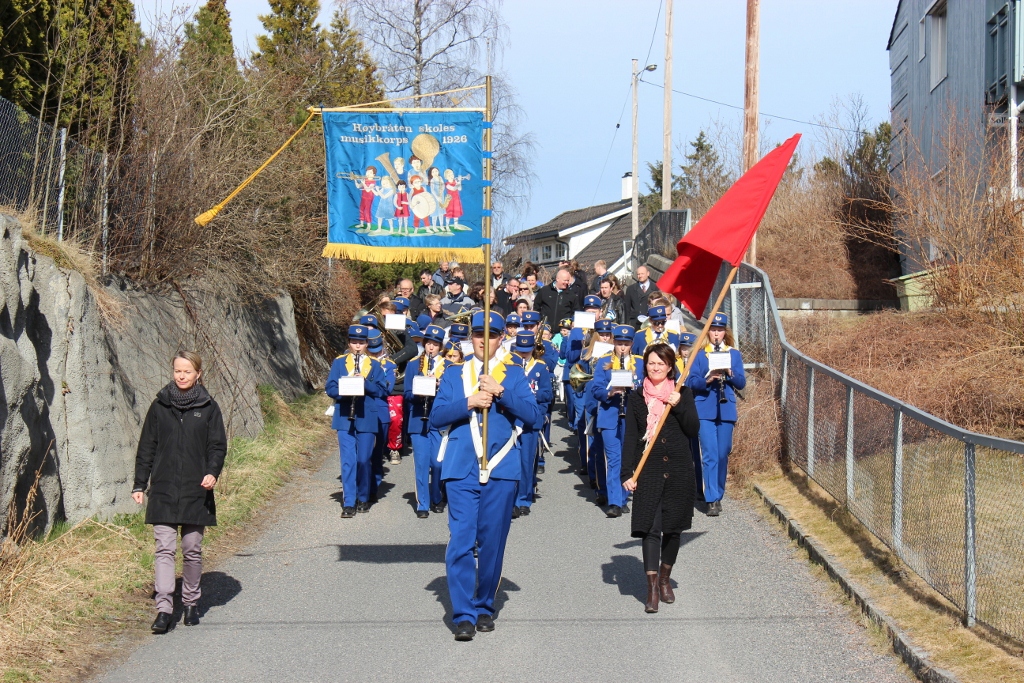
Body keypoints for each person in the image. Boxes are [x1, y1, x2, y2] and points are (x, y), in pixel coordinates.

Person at [430, 311, 543, 641]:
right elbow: (436, 417)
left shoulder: (515, 374)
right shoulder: (454, 373)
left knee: (492, 542)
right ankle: (463, 613)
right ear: (471, 337)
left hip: (502, 468)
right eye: (479, 334)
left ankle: (483, 606)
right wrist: (469, 401)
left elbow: (535, 417)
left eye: (491, 335)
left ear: (500, 338)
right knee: (461, 541)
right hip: (461, 469)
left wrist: (501, 392)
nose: (484, 340)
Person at [133, 351, 226, 633]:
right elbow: (147, 446)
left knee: (192, 550)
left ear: (198, 374)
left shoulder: (209, 408)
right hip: (163, 488)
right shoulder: (159, 406)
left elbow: (217, 446)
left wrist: (212, 472)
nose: (181, 376)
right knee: (164, 549)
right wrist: (140, 484)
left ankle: (190, 603)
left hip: (196, 490)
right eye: (177, 371)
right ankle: (163, 609)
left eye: (187, 371)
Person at [621, 343, 700, 613]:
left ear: (669, 367)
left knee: (673, 528)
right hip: (649, 469)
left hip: (679, 468)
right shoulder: (636, 398)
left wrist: (677, 406)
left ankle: (665, 578)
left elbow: (693, 429)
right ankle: (652, 587)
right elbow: (631, 436)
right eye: (651, 363)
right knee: (650, 528)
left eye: (661, 364)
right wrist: (627, 473)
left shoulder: (682, 393)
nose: (655, 368)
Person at [685, 313, 746, 517]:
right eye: (713, 330)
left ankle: (718, 492)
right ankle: (711, 498)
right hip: (704, 408)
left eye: (720, 330)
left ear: (724, 332)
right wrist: (708, 379)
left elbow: (741, 383)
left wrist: (730, 372)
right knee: (709, 453)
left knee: (722, 453)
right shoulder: (700, 354)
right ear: (708, 332)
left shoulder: (733, 354)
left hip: (726, 408)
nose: (716, 334)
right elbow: (691, 381)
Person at [326, 325, 387, 518]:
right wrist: (346, 388)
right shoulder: (339, 362)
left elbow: (382, 390)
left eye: (361, 342)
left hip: (366, 416)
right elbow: (330, 388)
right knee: (348, 461)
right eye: (354, 342)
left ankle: (363, 496)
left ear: (367, 344)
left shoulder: (374, 364)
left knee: (363, 459)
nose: (358, 346)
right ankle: (349, 502)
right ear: (349, 343)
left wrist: (365, 383)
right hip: (344, 415)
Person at [591, 325, 643, 518]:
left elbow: (646, 388)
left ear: (631, 344)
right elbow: (596, 389)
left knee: (627, 458)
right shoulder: (604, 361)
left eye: (626, 344)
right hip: (609, 414)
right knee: (613, 458)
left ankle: (623, 496)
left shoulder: (640, 363)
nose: (622, 347)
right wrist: (610, 392)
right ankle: (614, 502)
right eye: (619, 343)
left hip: (631, 415)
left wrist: (634, 386)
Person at [507, 330, 552, 518]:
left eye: (527, 350)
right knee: (511, 461)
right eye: (520, 350)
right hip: (511, 419)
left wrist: (532, 393)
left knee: (527, 461)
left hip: (531, 420)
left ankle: (524, 498)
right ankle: (511, 498)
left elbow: (547, 394)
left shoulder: (541, 367)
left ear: (533, 348)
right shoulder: (509, 367)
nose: (523, 354)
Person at [406, 325, 449, 518]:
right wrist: (420, 390)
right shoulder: (413, 365)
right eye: (429, 343)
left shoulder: (448, 366)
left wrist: (439, 386)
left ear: (440, 347)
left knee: (438, 463)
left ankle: (437, 495)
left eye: (435, 344)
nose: (431, 347)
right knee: (422, 464)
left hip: (440, 420)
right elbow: (407, 394)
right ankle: (422, 503)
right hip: (418, 418)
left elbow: (453, 395)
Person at [366, 329, 396, 498]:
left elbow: (387, 389)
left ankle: (373, 487)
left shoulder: (389, 365)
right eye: (371, 350)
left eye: (377, 350)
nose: (375, 353)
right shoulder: (357, 362)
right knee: (362, 453)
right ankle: (362, 484)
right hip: (362, 410)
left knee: (377, 452)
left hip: (380, 411)